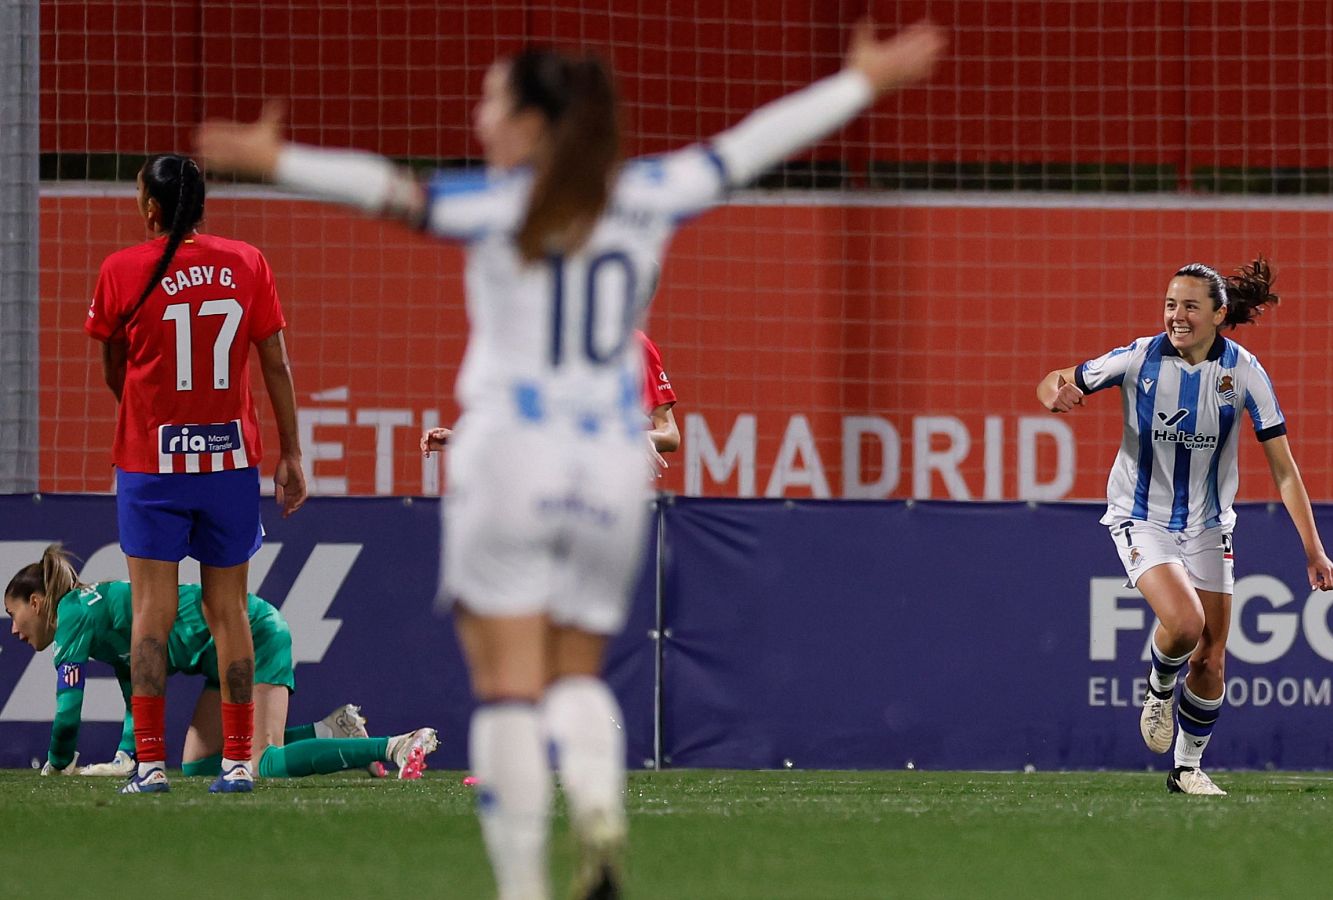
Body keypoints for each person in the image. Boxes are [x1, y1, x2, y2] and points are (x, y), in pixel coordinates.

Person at [198, 21, 943, 900]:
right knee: (577, 672)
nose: (480, 116)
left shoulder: (499, 203)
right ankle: (594, 800)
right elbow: (748, 148)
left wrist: (282, 162)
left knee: (508, 686)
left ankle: (524, 884)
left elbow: (391, 192)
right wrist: (856, 85)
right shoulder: (650, 192)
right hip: (606, 466)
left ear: (533, 123)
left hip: (511, 458)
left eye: (492, 100)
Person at [1036, 257, 1333, 795]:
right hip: (1140, 515)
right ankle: (1158, 692)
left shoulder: (1243, 371)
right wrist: (1056, 393)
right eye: (1171, 304)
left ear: (1219, 314)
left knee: (1212, 658)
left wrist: (1314, 550)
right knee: (1184, 623)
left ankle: (1187, 770)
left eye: (1190, 306)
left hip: (1208, 524)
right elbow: (1054, 379)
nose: (1176, 315)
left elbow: (1284, 470)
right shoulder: (1138, 358)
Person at [84, 154, 308, 794]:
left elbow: (114, 371)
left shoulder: (121, 269)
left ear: (151, 208)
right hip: (229, 463)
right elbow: (276, 365)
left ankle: (150, 765)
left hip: (152, 463)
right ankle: (239, 762)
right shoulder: (247, 262)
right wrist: (290, 452)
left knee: (150, 612)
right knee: (229, 611)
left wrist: (152, 416)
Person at [5, 545, 437, 782]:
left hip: (252, 634)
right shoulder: (94, 613)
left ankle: (394, 745)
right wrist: (125, 752)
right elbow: (139, 687)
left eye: (14, 615)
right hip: (217, 658)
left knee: (260, 761)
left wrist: (58, 763)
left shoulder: (73, 616)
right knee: (199, 765)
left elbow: (66, 714)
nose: (14, 630)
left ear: (38, 602)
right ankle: (331, 731)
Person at [423, 330, 680, 475]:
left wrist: (642, 439)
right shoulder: (550, 341)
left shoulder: (635, 346)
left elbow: (670, 435)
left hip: (597, 496)